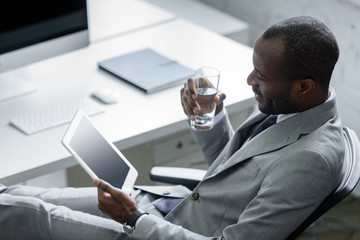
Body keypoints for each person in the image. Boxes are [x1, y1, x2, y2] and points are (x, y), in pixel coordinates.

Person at [0, 16, 344, 240]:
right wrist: (207, 118)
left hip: (160, 230)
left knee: (24, 217)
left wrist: (134, 218)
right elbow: (227, 177)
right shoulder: (295, 108)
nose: (250, 80)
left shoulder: (312, 160)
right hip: (163, 206)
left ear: (304, 86)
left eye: (262, 77)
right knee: (18, 195)